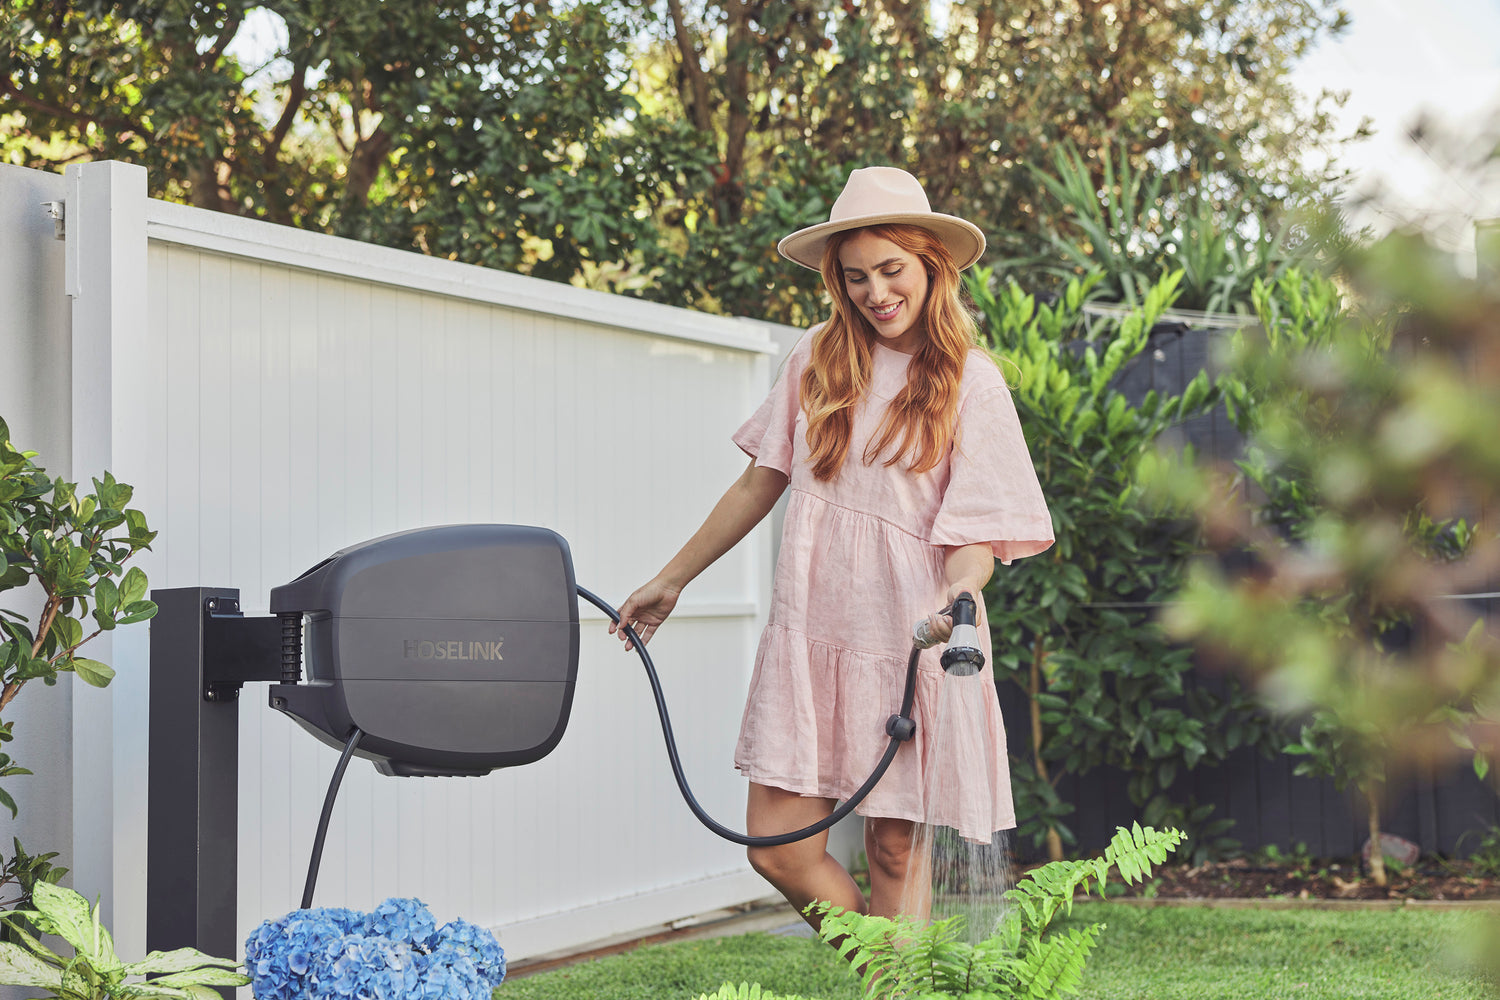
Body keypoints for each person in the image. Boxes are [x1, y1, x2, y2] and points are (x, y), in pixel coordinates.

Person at [611, 166, 1054, 930]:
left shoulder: (972, 384)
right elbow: (760, 482)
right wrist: (672, 579)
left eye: (891, 271)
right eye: (855, 278)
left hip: (911, 633)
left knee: (893, 853)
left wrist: (959, 598)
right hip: (813, 629)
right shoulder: (817, 359)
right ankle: (899, 983)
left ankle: (896, 992)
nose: (875, 292)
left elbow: (976, 535)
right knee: (779, 849)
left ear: (930, 267)